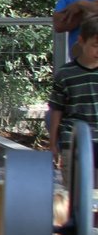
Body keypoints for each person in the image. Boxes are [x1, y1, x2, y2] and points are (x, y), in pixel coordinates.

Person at [47, 14, 98, 177]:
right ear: (82, 41)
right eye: (95, 45)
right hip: (74, 139)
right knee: (76, 191)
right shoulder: (65, 74)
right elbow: (56, 110)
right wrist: (53, 143)